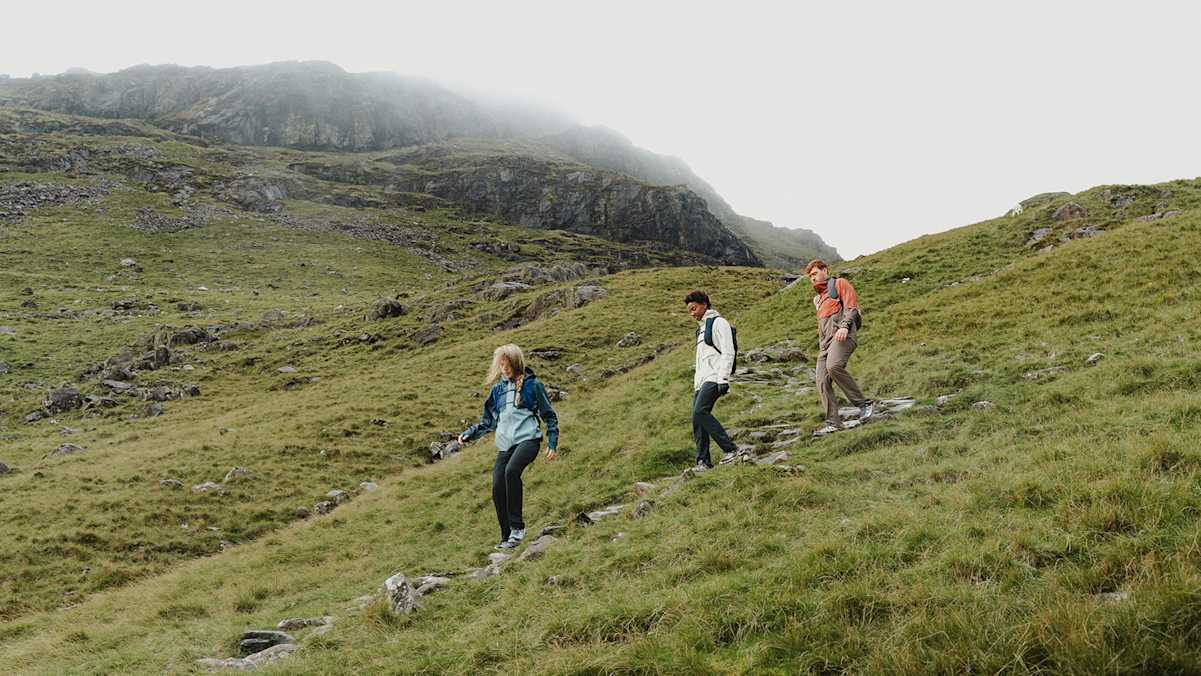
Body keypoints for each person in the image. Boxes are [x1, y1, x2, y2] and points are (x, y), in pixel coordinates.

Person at [458, 344, 559, 549]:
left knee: (511, 472)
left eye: (508, 364)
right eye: (501, 365)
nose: (504, 369)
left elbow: (549, 416)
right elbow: (488, 422)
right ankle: (506, 537)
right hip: (506, 445)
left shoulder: (533, 385)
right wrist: (470, 433)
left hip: (528, 440)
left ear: (516, 362)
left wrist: (552, 443)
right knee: (497, 486)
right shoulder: (497, 391)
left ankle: (518, 529)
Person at [805, 260, 874, 435]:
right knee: (821, 380)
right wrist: (822, 346)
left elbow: (851, 306)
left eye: (815, 273)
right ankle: (834, 422)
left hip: (843, 335)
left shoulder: (840, 283)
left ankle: (864, 404)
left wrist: (844, 326)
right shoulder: (819, 299)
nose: (812, 278)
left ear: (825, 270)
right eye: (810, 276)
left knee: (834, 366)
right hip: (825, 344)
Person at [684, 290, 739, 471]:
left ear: (705, 304)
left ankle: (732, 450)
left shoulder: (719, 322)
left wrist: (723, 378)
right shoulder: (700, 330)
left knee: (700, 411)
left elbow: (728, 351)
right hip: (701, 381)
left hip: (715, 377)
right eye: (689, 311)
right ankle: (703, 461)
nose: (692, 313)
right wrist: (696, 385)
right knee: (697, 419)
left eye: (694, 308)